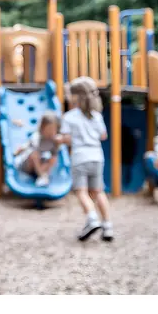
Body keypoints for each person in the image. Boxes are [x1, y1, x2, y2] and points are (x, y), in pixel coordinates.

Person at [60, 77, 113, 242]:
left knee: (82, 192)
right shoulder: (96, 116)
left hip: (80, 157)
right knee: (98, 192)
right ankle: (108, 226)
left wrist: (58, 139)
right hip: (97, 156)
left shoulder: (69, 117)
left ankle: (92, 219)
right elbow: (103, 135)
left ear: (76, 97)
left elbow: (67, 138)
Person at [12, 111, 61, 187]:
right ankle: (42, 176)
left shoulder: (53, 141)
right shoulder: (37, 137)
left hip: (39, 166)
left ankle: (42, 176)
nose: (51, 132)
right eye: (49, 129)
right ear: (42, 128)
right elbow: (25, 146)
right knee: (34, 154)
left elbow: (54, 155)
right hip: (27, 165)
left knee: (53, 158)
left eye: (53, 130)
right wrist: (16, 152)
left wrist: (58, 143)